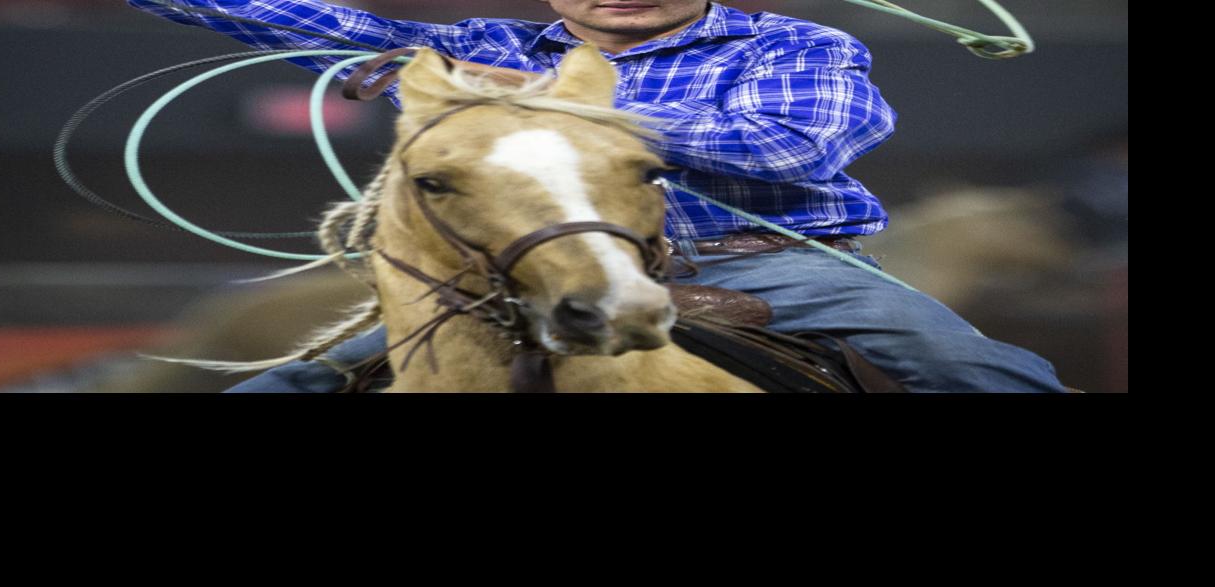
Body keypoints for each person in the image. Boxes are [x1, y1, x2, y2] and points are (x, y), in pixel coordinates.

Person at [126, 0, 1067, 392]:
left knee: (970, 369)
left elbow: (793, 147)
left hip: (777, 267)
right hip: (522, 278)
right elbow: (301, 16)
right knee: (284, 386)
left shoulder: (795, 47)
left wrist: (567, 123)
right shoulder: (492, 45)